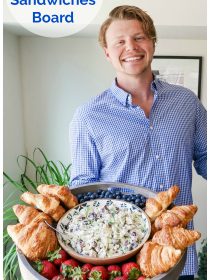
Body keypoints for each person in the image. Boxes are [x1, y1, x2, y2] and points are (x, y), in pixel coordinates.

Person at [69, 5, 207, 279]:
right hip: (123, 260)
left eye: (139, 37)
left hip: (178, 255)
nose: (131, 47)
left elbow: (206, 156)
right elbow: (83, 188)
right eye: (119, 41)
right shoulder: (88, 116)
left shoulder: (186, 102)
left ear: (153, 42)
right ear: (107, 53)